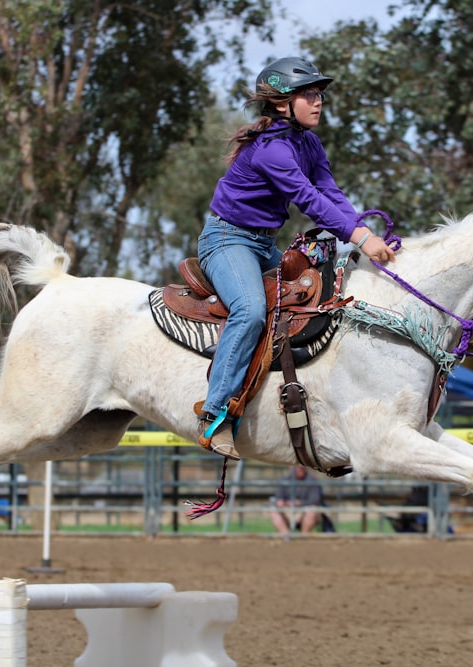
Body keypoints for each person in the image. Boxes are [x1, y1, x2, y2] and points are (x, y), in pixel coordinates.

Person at [195, 56, 398, 460]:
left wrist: (365, 235)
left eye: (319, 94)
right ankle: (214, 415)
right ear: (281, 103)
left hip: (263, 243)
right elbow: (308, 200)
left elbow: (331, 194)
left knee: (325, 300)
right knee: (251, 311)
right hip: (226, 240)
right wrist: (360, 236)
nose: (318, 101)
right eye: (308, 94)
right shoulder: (271, 150)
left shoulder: (308, 142)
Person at [269, 466, 325, 534]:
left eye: (301, 468)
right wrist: (280, 502)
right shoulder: (285, 479)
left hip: (304, 510)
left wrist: (300, 503)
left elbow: (315, 500)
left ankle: (304, 536)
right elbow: (278, 497)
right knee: (273, 510)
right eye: (296, 469)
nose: (299, 470)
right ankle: (285, 536)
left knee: (312, 510)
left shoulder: (312, 480)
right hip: (287, 509)